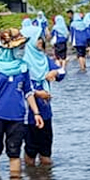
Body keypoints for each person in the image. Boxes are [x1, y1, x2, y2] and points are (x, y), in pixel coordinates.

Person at [0, 28, 36, 176]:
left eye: (23, 47)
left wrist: (36, 113)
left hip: (17, 116)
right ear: (11, 49)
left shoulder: (23, 68)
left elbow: (28, 92)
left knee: (14, 152)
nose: (22, 50)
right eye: (20, 47)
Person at [23, 23, 66, 167]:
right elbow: (18, 87)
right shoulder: (21, 62)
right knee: (30, 153)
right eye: (37, 38)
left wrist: (54, 72)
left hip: (46, 112)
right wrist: (37, 93)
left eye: (41, 38)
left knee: (46, 155)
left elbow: (62, 72)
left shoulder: (44, 59)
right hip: (28, 115)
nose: (40, 41)